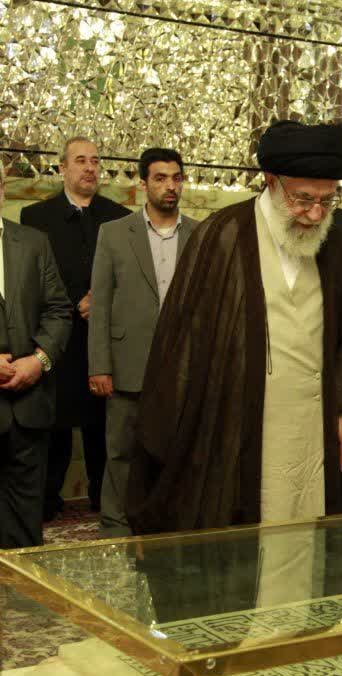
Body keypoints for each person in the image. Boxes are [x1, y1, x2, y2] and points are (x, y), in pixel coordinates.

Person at [127, 119, 342, 533]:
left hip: (312, 429)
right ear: (271, 182)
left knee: (307, 541)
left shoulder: (336, 245)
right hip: (235, 429)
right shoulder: (221, 235)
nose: (315, 213)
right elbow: (181, 344)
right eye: (303, 199)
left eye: (327, 200)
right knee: (241, 547)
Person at [87, 148, 197, 534]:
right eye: (160, 178)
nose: (170, 186)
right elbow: (100, 304)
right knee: (121, 451)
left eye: (176, 178)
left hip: (182, 367)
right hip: (127, 362)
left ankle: (168, 526)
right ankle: (115, 526)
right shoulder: (115, 233)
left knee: (177, 451)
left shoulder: (200, 233)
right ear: (143, 184)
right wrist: (99, 366)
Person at [20, 137, 130, 517]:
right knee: (55, 427)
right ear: (62, 168)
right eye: (80, 160)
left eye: (95, 161)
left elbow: (129, 274)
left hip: (104, 338)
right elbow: (32, 277)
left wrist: (102, 299)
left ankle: (105, 502)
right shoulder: (36, 217)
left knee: (102, 426)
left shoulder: (119, 216)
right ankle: (46, 505)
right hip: (56, 338)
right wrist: (72, 303)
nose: (89, 168)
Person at [0, 163, 71, 547]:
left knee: (25, 529)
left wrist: (38, 361)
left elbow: (59, 310)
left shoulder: (33, 243)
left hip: (29, 406)